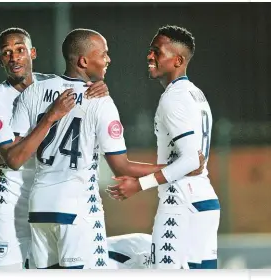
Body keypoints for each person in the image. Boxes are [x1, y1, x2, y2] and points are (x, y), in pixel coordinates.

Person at [7, 28, 204, 269]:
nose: (108, 60)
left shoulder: (32, 93)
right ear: (83, 61)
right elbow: (121, 166)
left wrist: (49, 119)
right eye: (104, 54)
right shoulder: (100, 100)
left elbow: (13, 159)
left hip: (39, 210)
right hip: (77, 209)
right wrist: (179, 168)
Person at [0, 27, 108, 269]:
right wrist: (49, 118)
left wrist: (99, 86)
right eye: (7, 53)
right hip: (10, 205)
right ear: (1, 60)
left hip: (44, 199)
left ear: (33, 53)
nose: (14, 57)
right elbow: (13, 158)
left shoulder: (51, 85)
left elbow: (84, 91)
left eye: (20, 50)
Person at [108, 25, 220, 269]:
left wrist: (140, 184)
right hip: (204, 202)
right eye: (150, 50)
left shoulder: (174, 97)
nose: (150, 56)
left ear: (177, 60)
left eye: (157, 52)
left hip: (180, 203)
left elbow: (191, 161)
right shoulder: (195, 94)